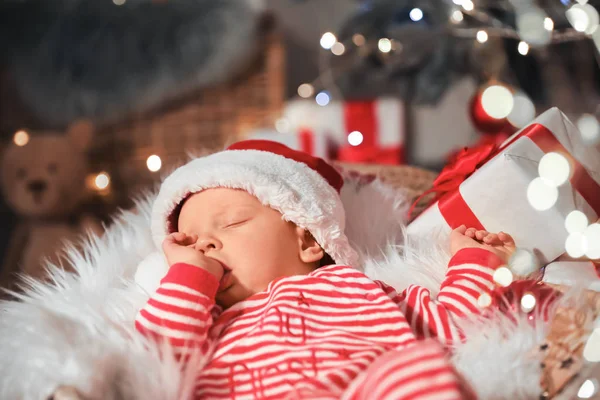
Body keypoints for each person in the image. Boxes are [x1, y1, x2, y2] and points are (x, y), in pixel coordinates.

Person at [135, 140, 533, 399]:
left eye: (231, 223)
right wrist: (188, 278)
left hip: (362, 391)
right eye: (190, 242)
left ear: (308, 241)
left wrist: (473, 261)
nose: (205, 245)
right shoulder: (206, 323)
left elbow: (454, 326)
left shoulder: (356, 291)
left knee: (415, 372)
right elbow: (155, 358)